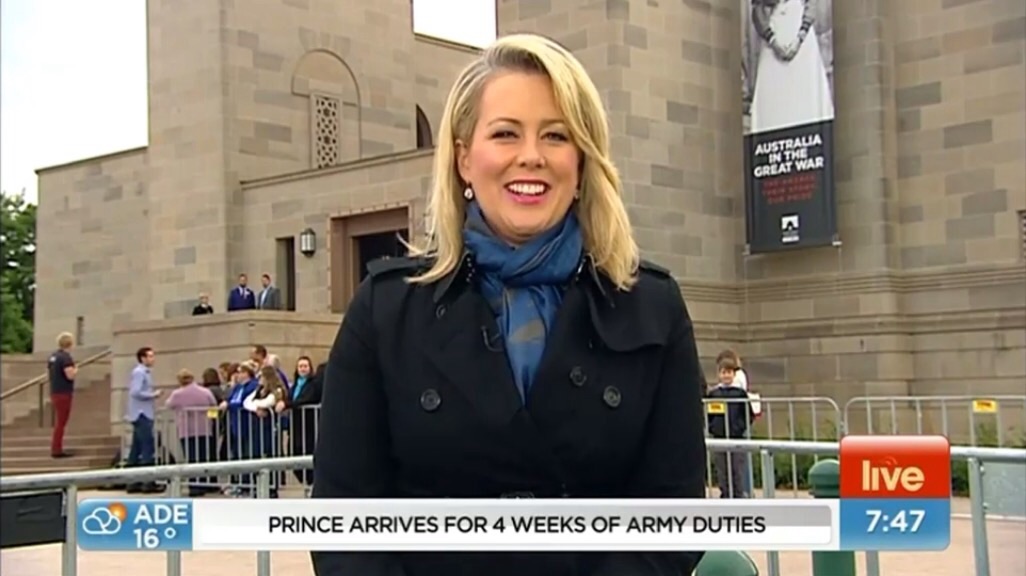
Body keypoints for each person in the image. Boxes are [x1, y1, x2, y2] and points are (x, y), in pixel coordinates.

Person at [311, 33, 707, 576]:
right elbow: (344, 521)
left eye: (556, 135)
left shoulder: (652, 308)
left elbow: (673, 513)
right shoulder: (385, 311)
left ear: (582, 161)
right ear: (464, 160)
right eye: (505, 134)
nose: (531, 156)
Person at [749, 0, 834, 134]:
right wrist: (773, 41)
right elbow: (757, 11)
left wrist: (800, 38)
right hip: (774, 32)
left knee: (805, 92)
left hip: (801, 35)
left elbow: (811, 5)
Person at [705, 353, 755, 499]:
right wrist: (713, 427)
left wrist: (739, 427)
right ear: (719, 374)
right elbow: (709, 413)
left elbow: (747, 414)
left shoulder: (740, 394)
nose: (726, 375)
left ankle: (738, 496)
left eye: (729, 372)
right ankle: (725, 495)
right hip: (719, 437)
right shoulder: (714, 394)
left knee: (736, 470)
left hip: (736, 437)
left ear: (734, 374)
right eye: (723, 372)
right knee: (722, 470)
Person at [126, 346, 164, 494]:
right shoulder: (140, 372)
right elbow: (135, 392)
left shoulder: (143, 372)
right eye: (150, 356)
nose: (153, 359)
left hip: (140, 413)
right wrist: (153, 395)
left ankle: (132, 481)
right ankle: (148, 482)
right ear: (143, 358)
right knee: (148, 447)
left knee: (136, 449)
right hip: (142, 414)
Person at [48, 332, 78, 458]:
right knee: (61, 421)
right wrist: (76, 370)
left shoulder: (53, 357)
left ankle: (56, 447)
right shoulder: (66, 358)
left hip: (55, 391)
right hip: (64, 392)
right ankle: (56, 449)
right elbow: (70, 375)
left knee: (59, 421)